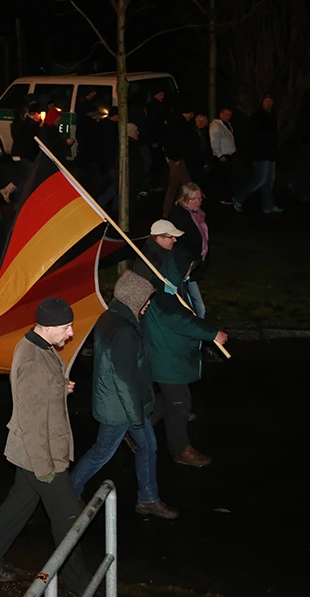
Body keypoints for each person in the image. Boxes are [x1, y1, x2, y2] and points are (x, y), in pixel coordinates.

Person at [0, 298, 103, 597]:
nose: (70, 334)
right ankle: (77, 583)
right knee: (70, 520)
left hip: (30, 453)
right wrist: (47, 469)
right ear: (45, 327)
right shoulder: (33, 361)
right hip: (40, 455)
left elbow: (37, 393)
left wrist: (60, 386)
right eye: (65, 328)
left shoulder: (37, 346)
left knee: (19, 504)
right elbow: (32, 422)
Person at [70, 271, 179, 520]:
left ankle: (148, 498)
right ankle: (69, 490)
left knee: (147, 446)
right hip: (121, 407)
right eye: (145, 300)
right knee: (103, 451)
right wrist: (137, 417)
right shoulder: (124, 331)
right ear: (133, 299)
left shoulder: (112, 317)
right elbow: (125, 380)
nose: (148, 304)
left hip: (122, 404)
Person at [141, 254, 228, 467]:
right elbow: (179, 319)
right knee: (180, 403)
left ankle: (135, 429)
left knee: (169, 399)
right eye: (187, 268)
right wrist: (212, 333)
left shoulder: (172, 287)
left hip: (168, 356)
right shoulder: (163, 294)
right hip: (166, 358)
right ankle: (180, 450)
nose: (189, 272)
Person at [233, 94, 281, 214]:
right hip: (260, 154)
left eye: (270, 101)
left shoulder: (272, 116)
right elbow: (252, 136)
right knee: (261, 178)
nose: (268, 103)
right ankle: (239, 198)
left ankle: (268, 205)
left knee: (269, 180)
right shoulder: (257, 117)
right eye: (266, 101)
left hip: (270, 154)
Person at [169, 183, 210, 319]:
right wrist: (188, 266)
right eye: (193, 199)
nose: (197, 202)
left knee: (194, 306)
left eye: (199, 199)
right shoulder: (179, 217)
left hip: (192, 269)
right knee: (197, 308)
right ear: (183, 199)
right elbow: (180, 245)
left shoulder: (198, 216)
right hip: (184, 269)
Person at [209, 106, 236, 205]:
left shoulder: (227, 124)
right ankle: (222, 197)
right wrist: (219, 155)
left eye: (230, 115)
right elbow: (214, 140)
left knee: (227, 176)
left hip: (228, 154)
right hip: (222, 155)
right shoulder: (216, 125)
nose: (228, 117)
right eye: (227, 114)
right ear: (221, 114)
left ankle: (225, 196)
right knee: (223, 177)